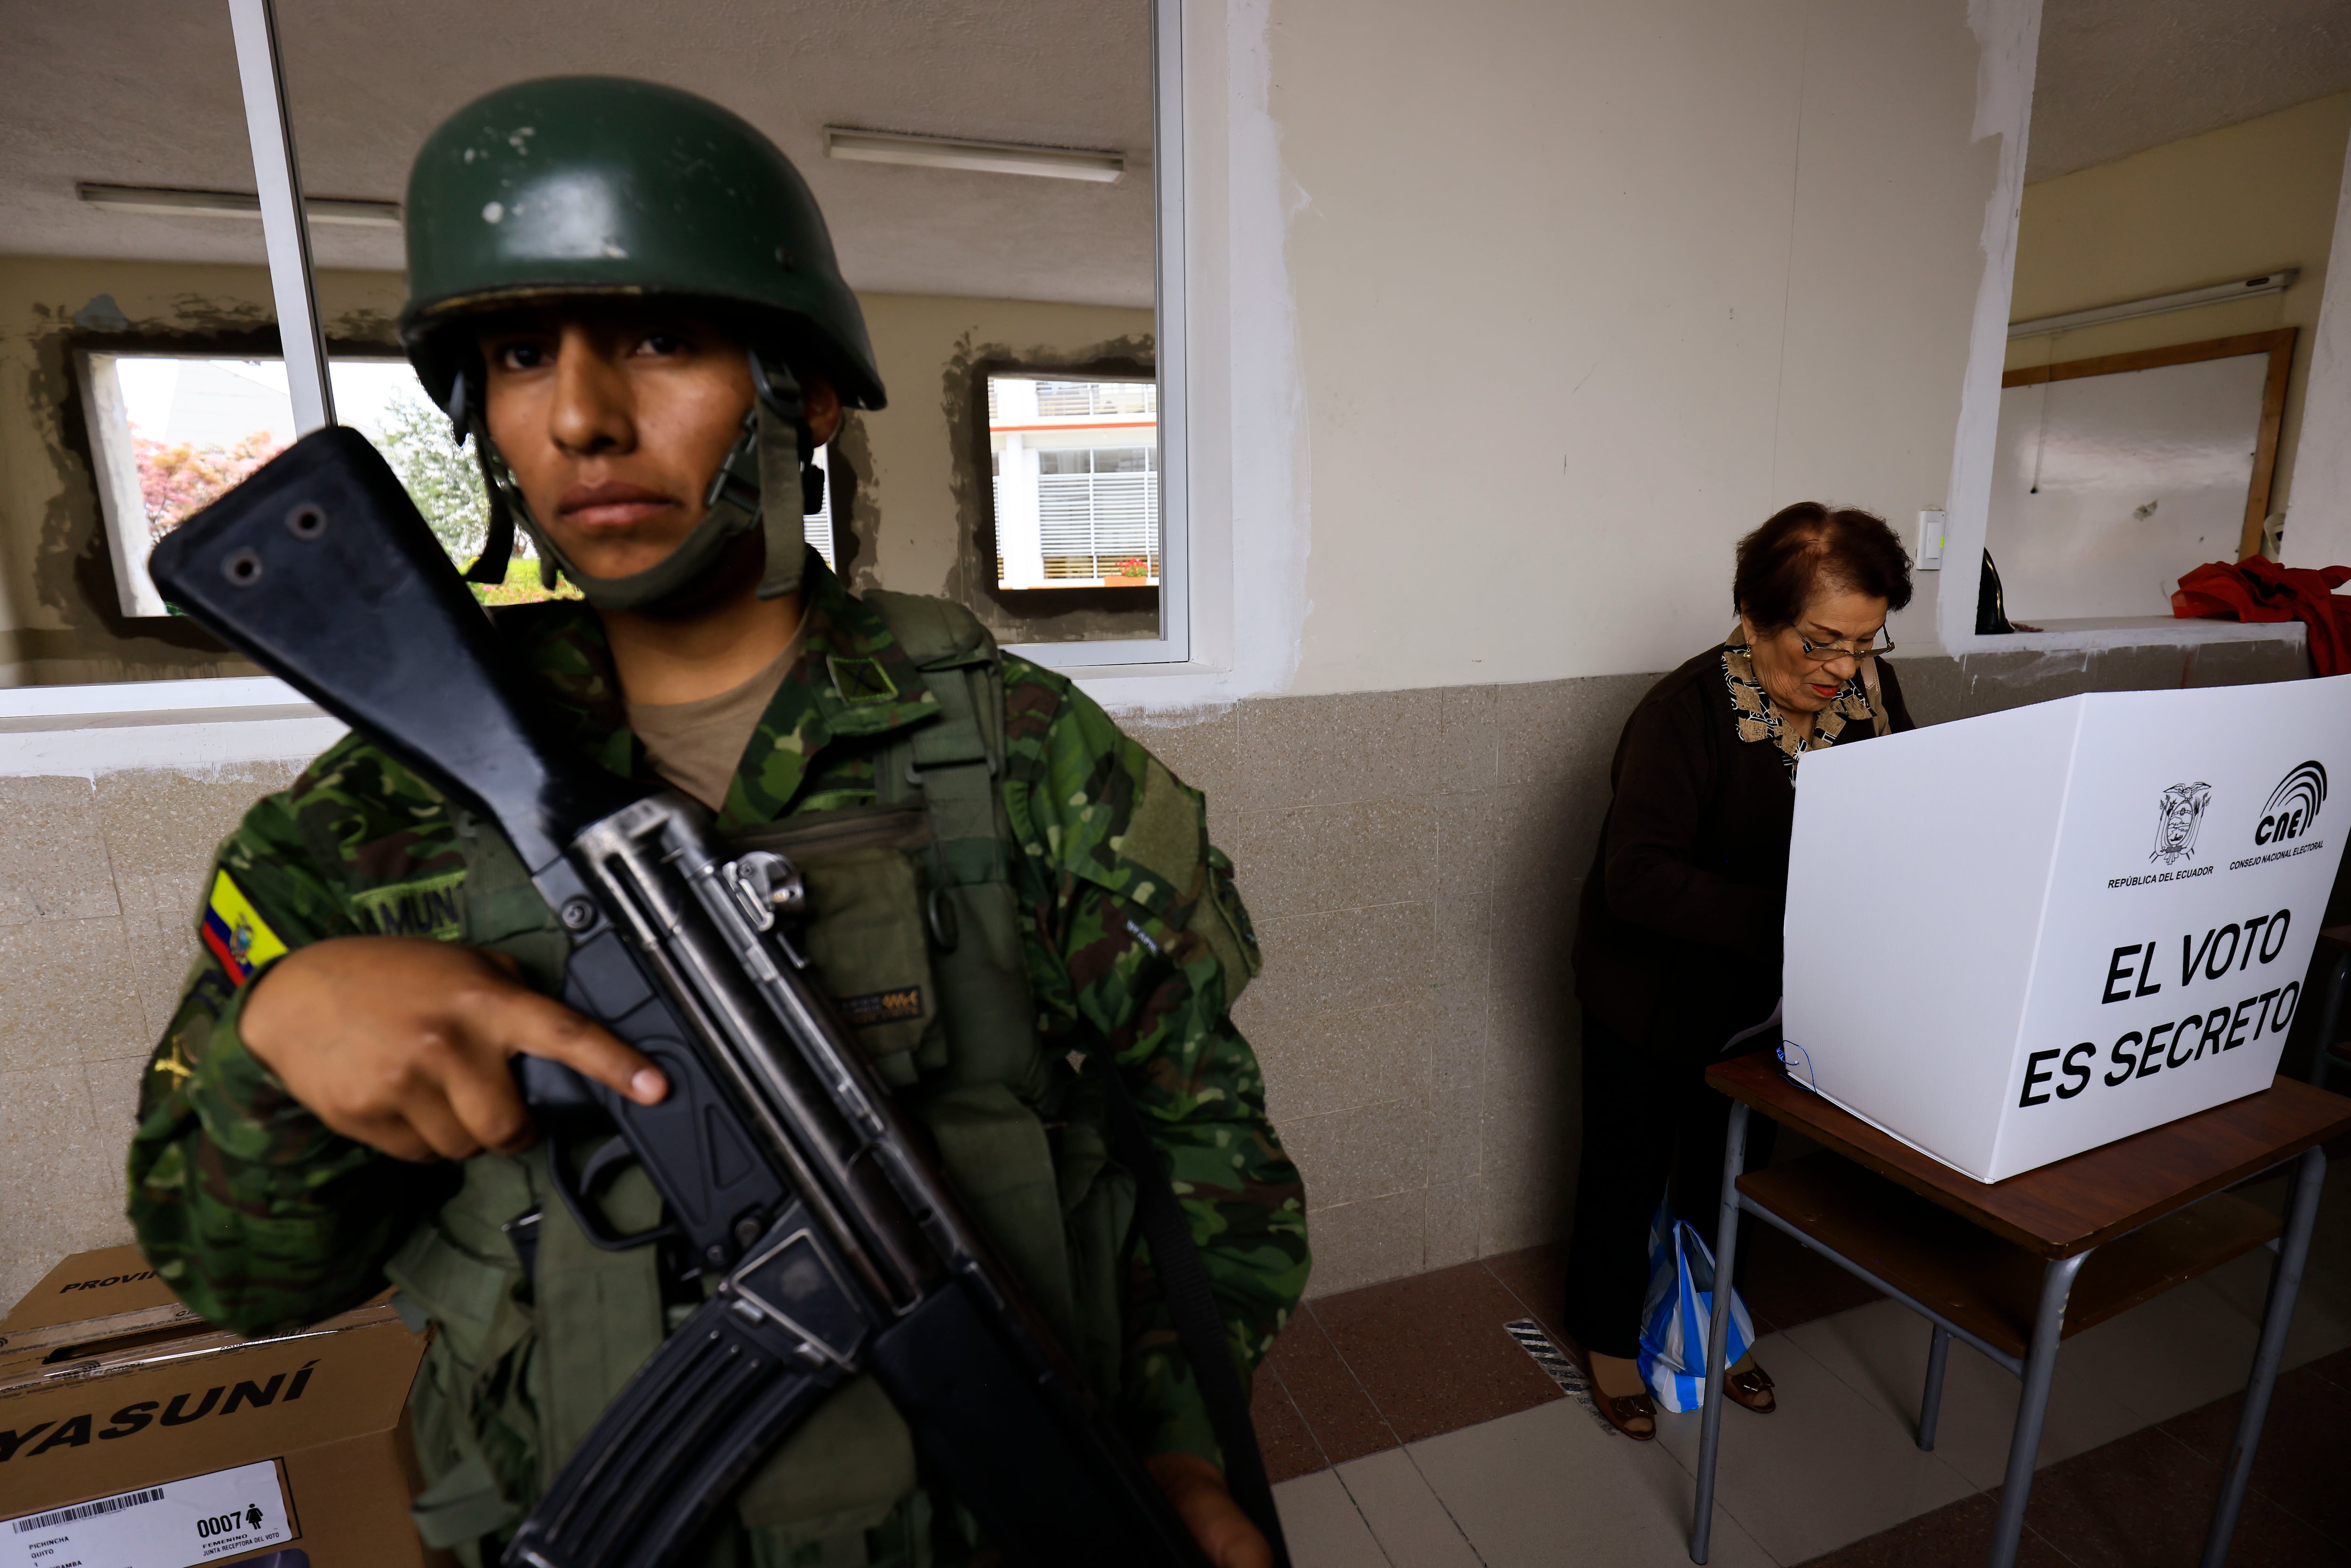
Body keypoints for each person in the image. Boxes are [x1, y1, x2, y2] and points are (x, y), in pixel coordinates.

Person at [126, 77, 1305, 1568]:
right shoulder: (378, 816)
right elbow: (240, 1281)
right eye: (516, 354)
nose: (582, 418)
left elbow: (1211, 1152)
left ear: (802, 389)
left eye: (664, 340)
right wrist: (277, 1041)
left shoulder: (1019, 755)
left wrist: (1186, 1448)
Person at [1562, 502, 1916, 1439]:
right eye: (1819, 643)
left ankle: (1716, 1329)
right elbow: (1634, 878)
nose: (1840, 668)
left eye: (1861, 642)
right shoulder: (1683, 716)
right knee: (1626, 1169)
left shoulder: (1867, 698)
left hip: (1763, 998)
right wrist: (1798, 920)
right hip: (1647, 990)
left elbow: (1909, 800)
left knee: (1730, 1168)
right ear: (1755, 617)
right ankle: (1606, 1340)